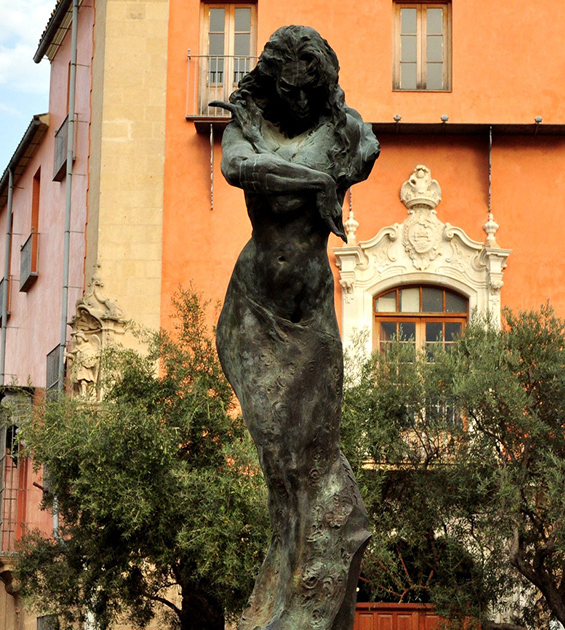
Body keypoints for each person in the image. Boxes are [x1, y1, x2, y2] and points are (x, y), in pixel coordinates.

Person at [212, 25, 379, 630]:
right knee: (277, 460)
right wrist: (317, 183)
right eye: (291, 91)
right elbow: (242, 171)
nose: (301, 102)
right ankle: (282, 600)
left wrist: (330, 174)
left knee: (314, 457)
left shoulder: (348, 131)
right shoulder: (245, 127)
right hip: (253, 308)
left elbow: (368, 148)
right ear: (274, 84)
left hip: (308, 315)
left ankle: (319, 577)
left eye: (312, 92)